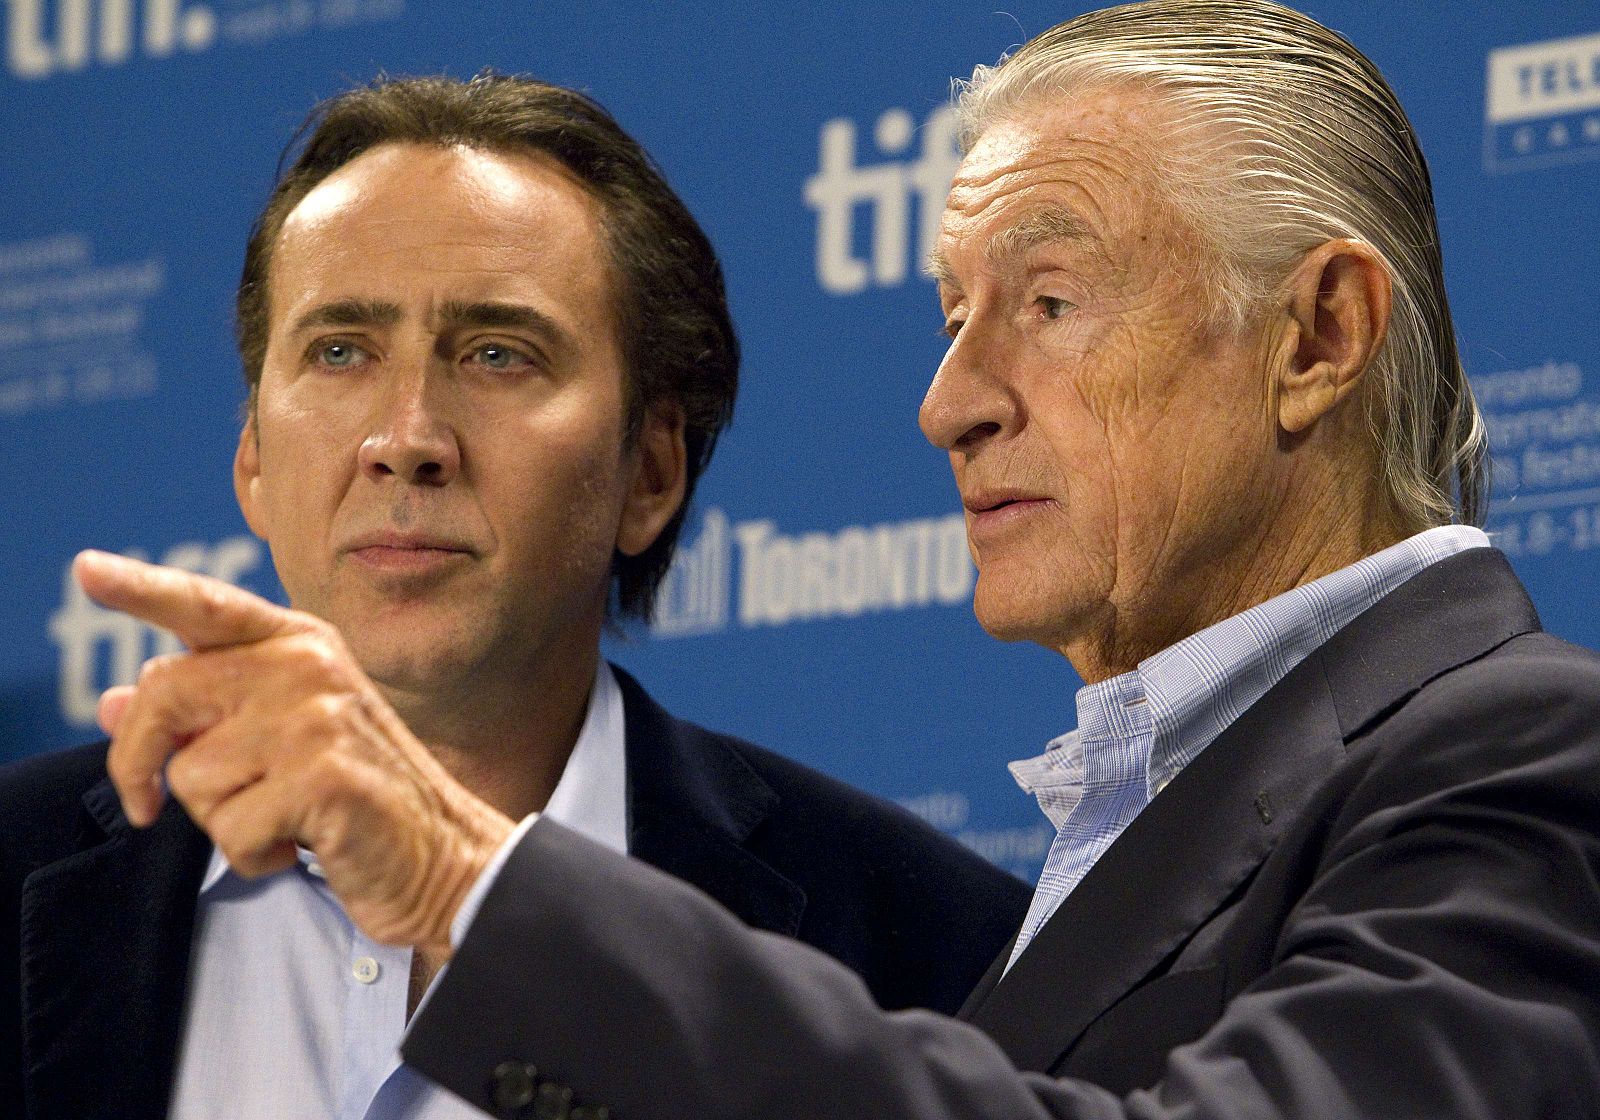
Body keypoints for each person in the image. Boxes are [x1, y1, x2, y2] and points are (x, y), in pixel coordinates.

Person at [24, 0, 1600, 1115]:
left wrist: (455, 883)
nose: (947, 404)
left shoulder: (1530, 757)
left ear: (1318, 336)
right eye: (950, 318)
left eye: (1047, 303)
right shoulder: (1133, 838)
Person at [0, 75, 1032, 1120]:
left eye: (498, 354)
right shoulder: (19, 864)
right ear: (253, 461)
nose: (405, 439)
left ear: (651, 472)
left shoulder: (928, 947)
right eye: (340, 351)